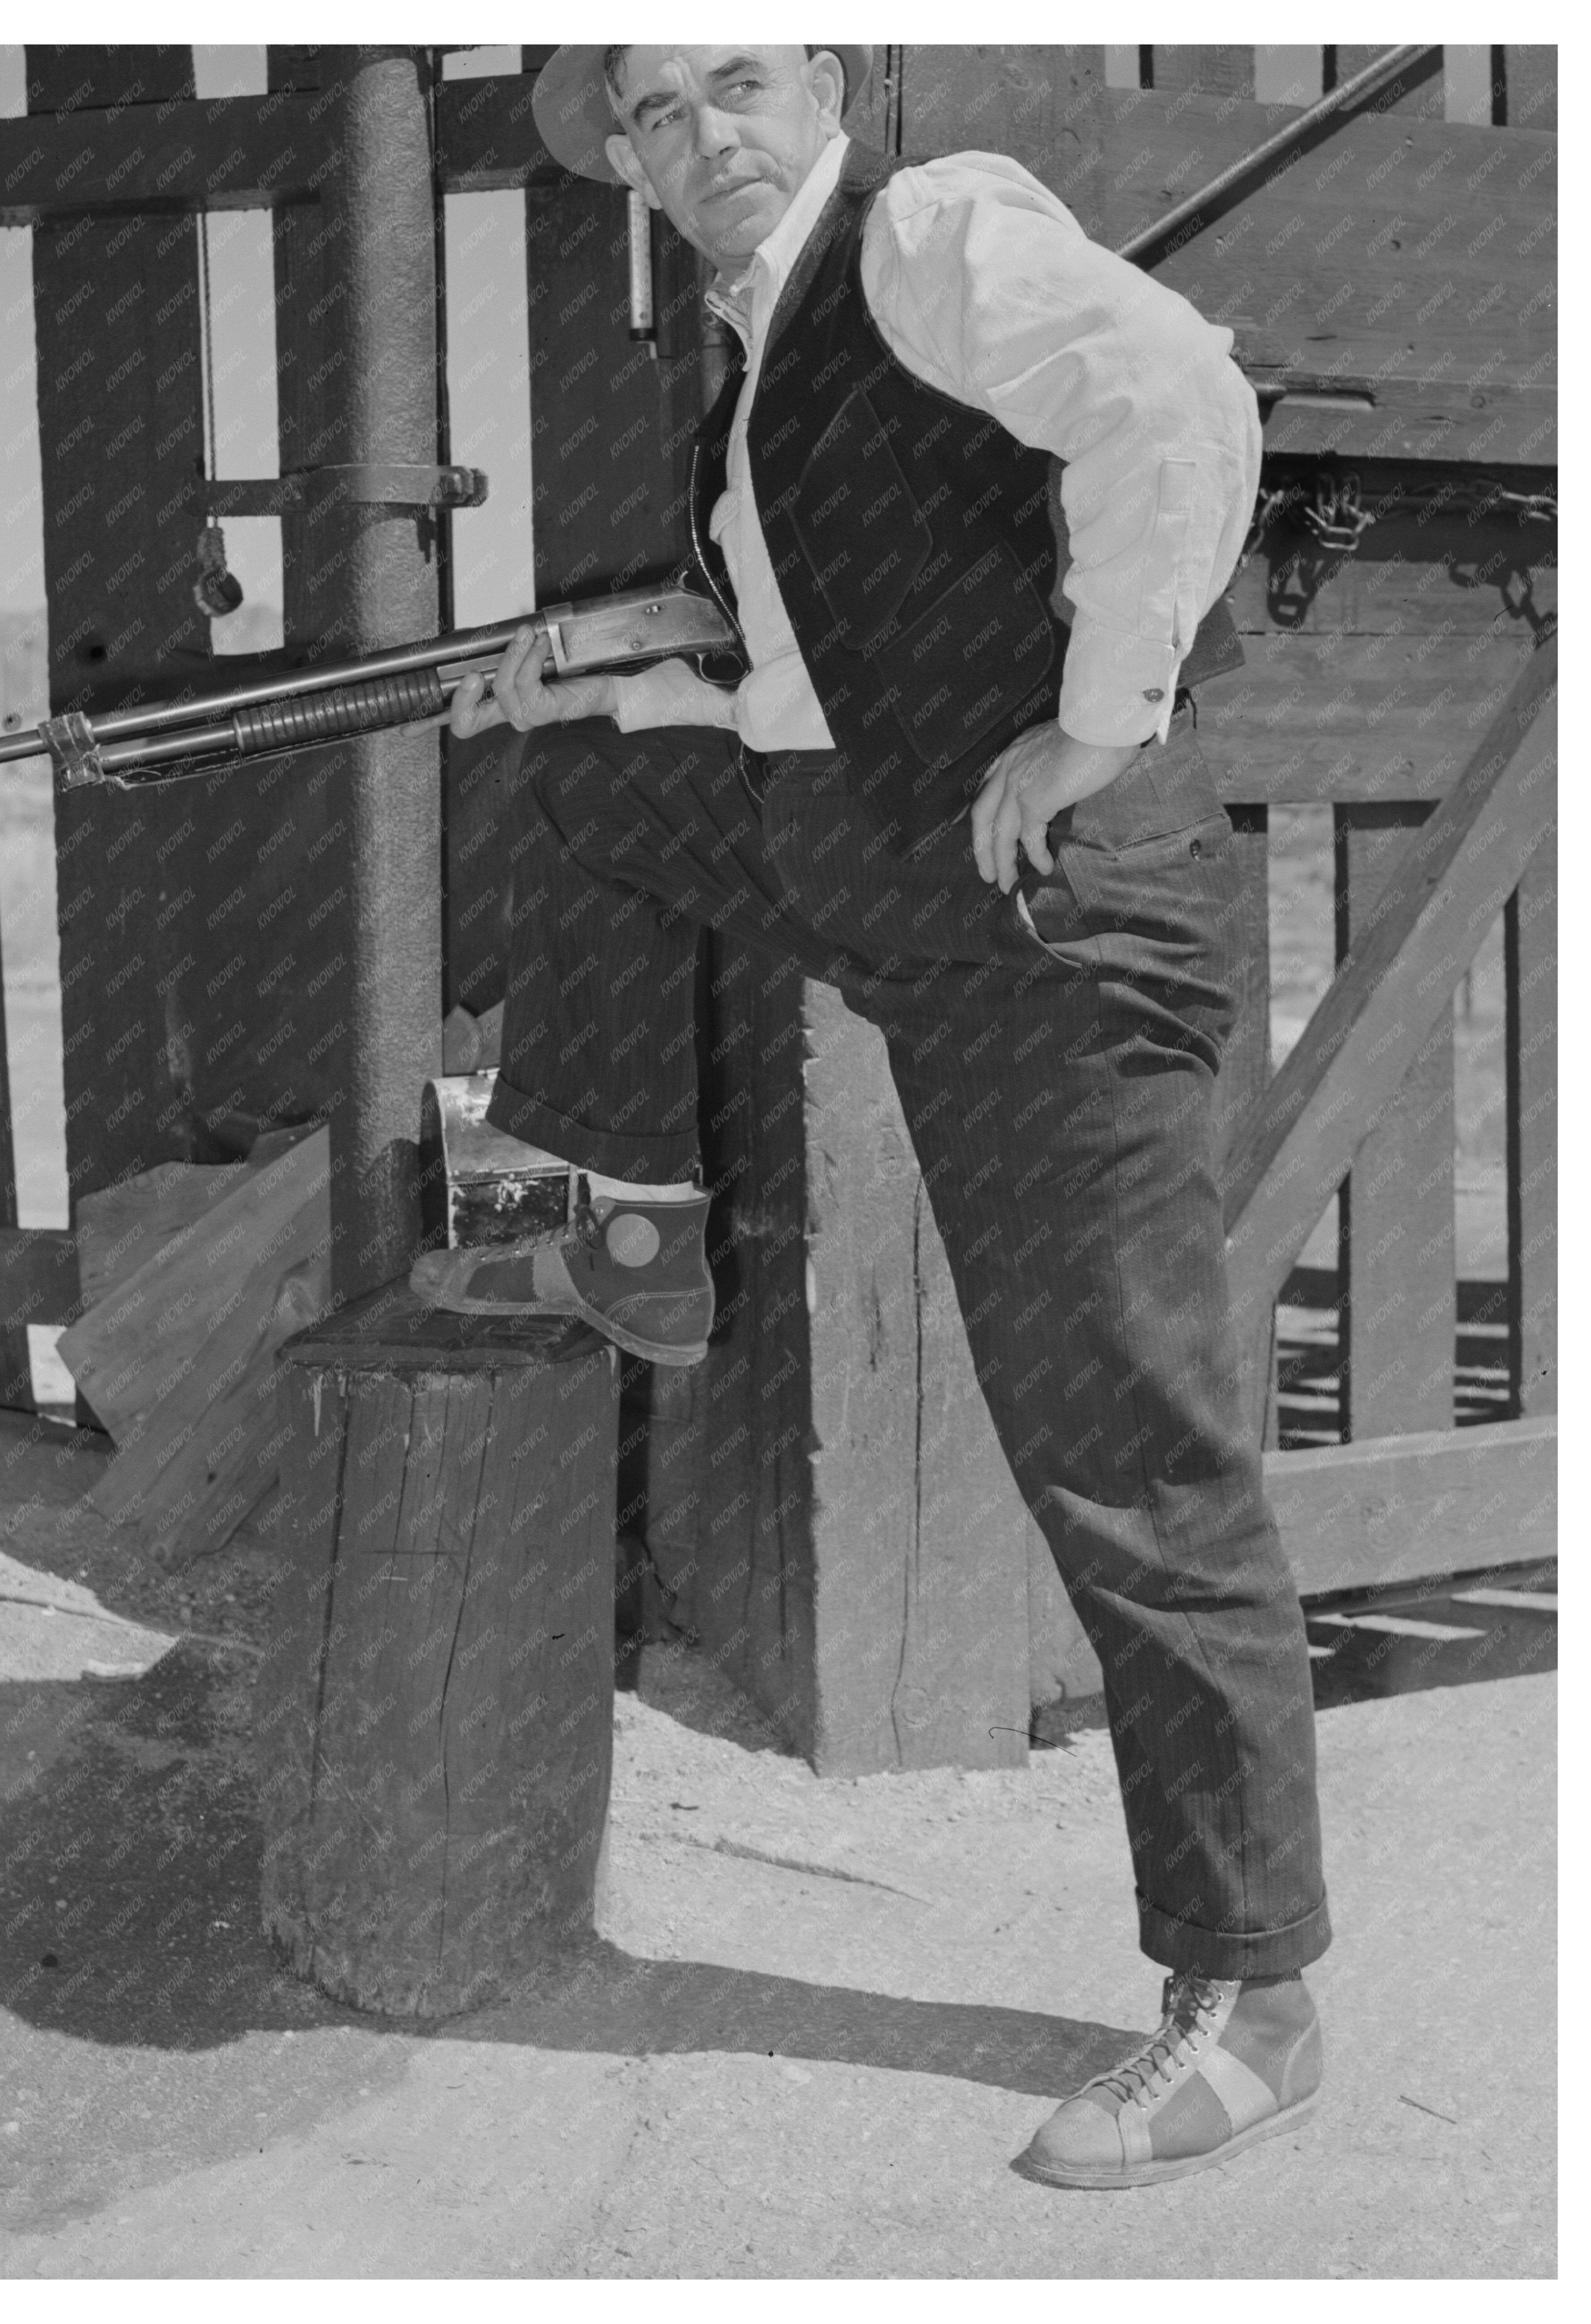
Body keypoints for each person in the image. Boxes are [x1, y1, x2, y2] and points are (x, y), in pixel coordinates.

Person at [412, 43, 1330, 2190]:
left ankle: (1250, 1998)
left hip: (1043, 915)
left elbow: (1174, 397)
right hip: (875, 851)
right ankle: (609, 1232)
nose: (702, 138)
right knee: (582, 785)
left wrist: (1101, 724)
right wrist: (601, 686)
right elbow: (812, 669)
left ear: (819, 81)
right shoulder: (762, 340)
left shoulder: (924, 237)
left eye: (736, 85)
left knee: (1125, 1454)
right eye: (657, 115)